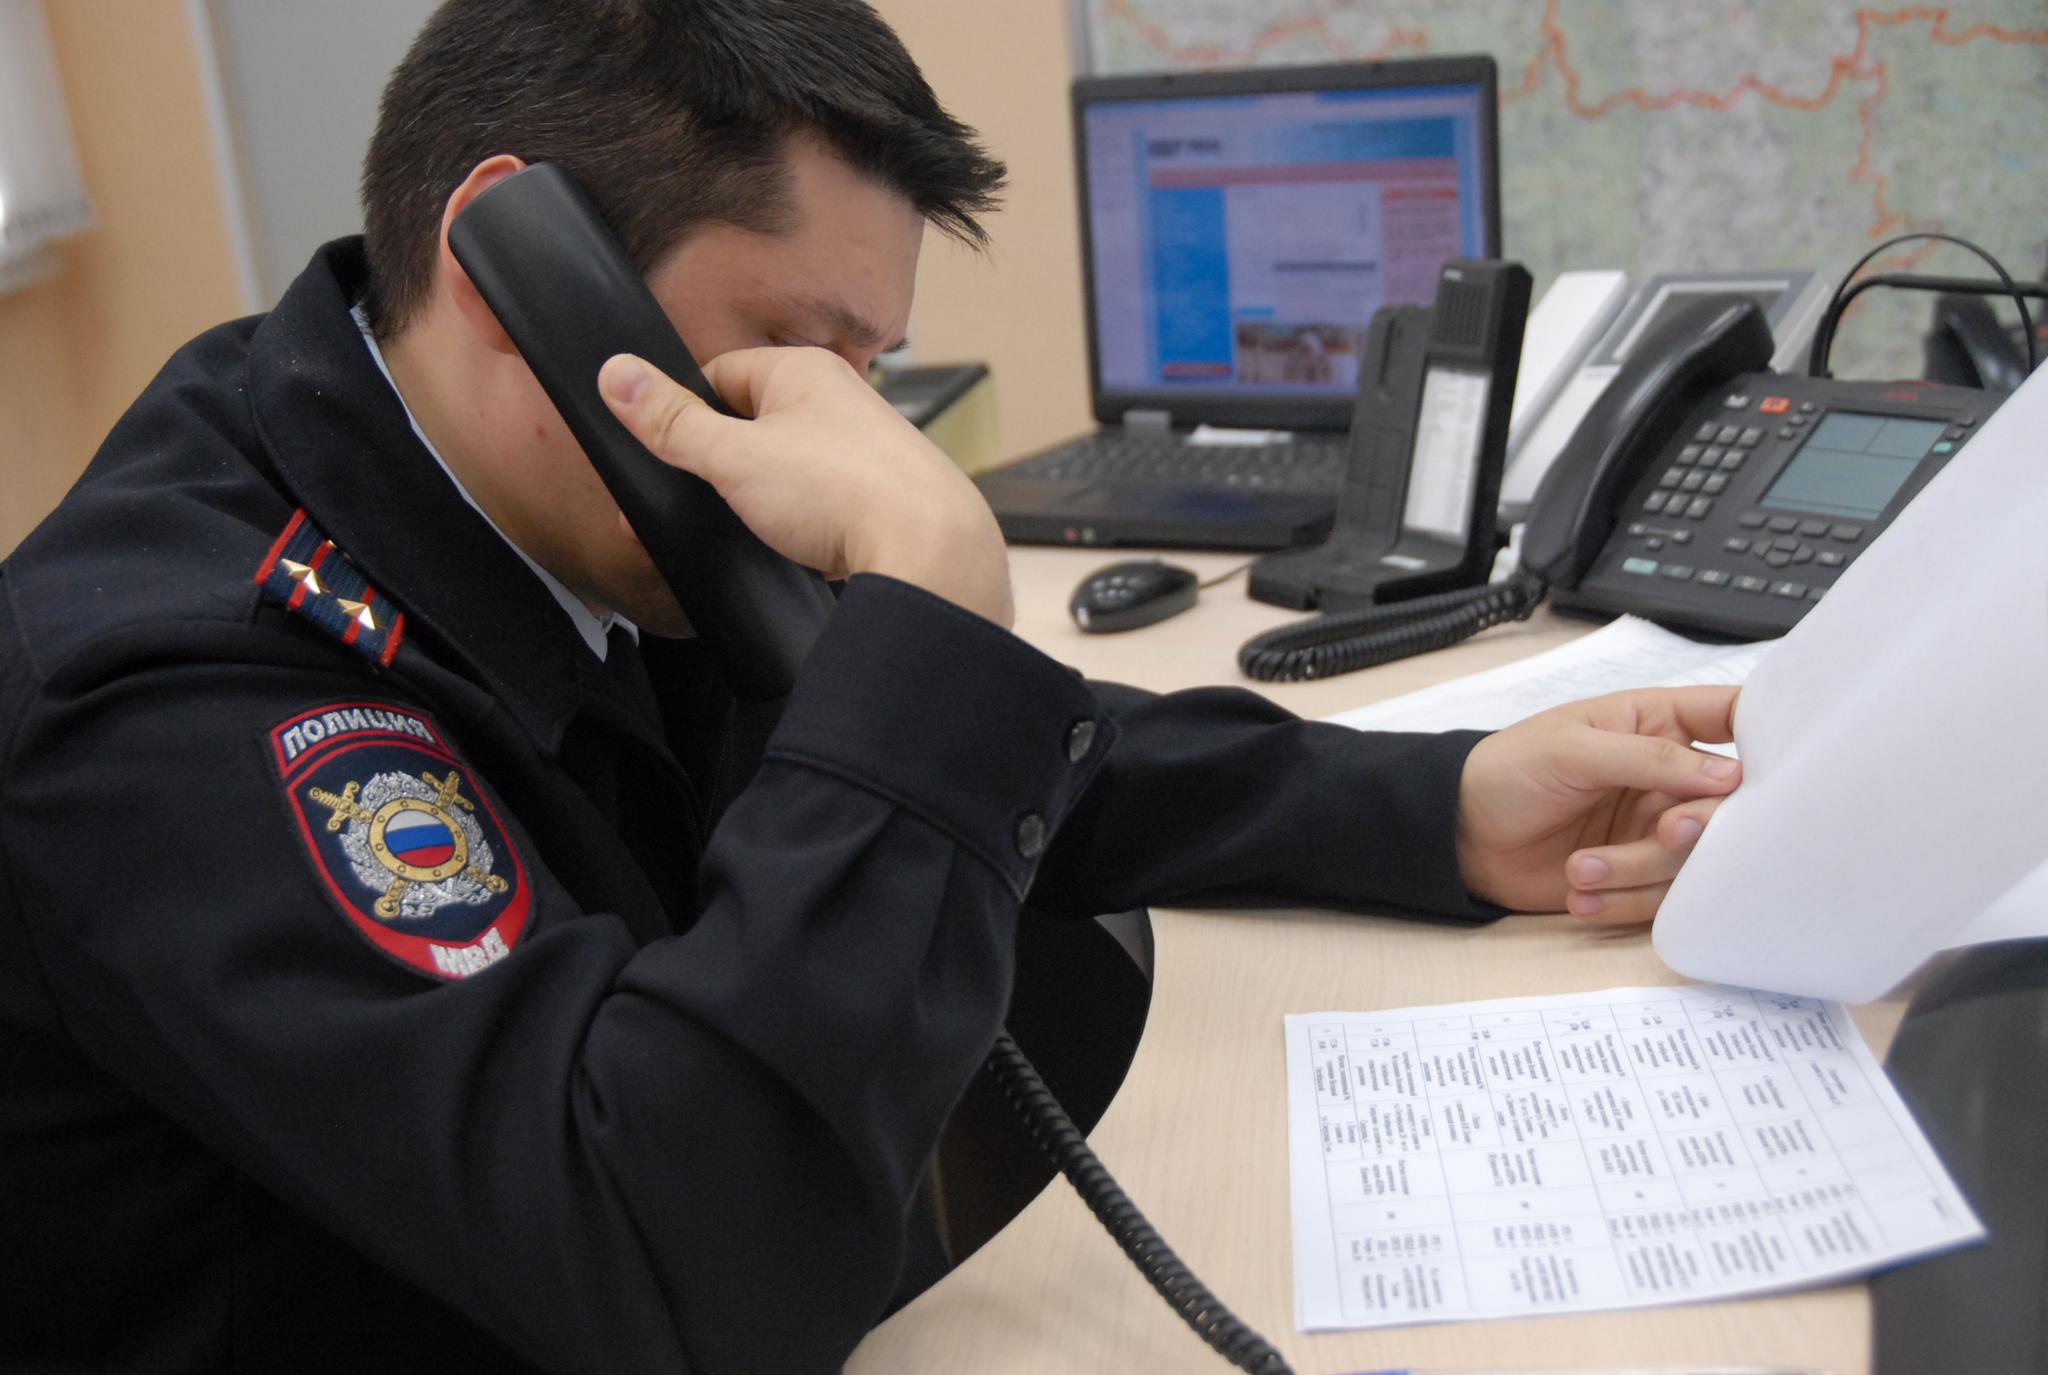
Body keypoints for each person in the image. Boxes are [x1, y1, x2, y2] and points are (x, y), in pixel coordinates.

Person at [0, 2, 1739, 1371]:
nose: (843, 425)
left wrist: (1433, 804)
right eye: (799, 343)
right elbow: (677, 1265)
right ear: (510, 273)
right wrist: (922, 613)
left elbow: (987, 757)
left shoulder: (548, 507)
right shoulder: (177, 696)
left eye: (870, 363)